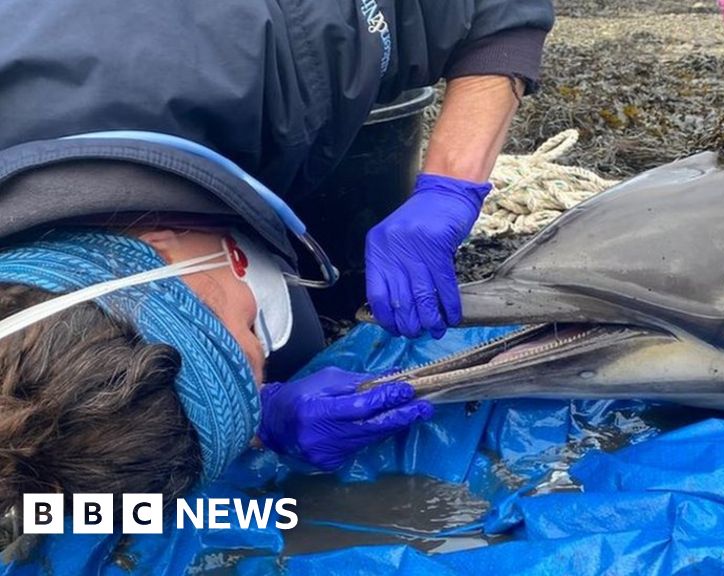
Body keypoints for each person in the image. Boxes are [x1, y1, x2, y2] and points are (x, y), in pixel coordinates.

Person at [0, 0, 556, 545]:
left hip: (230, 67)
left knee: (297, 346)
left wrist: (449, 188)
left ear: (160, 248)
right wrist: (259, 424)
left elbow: (499, 11)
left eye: (245, 338)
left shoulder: (292, 34)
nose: (260, 361)